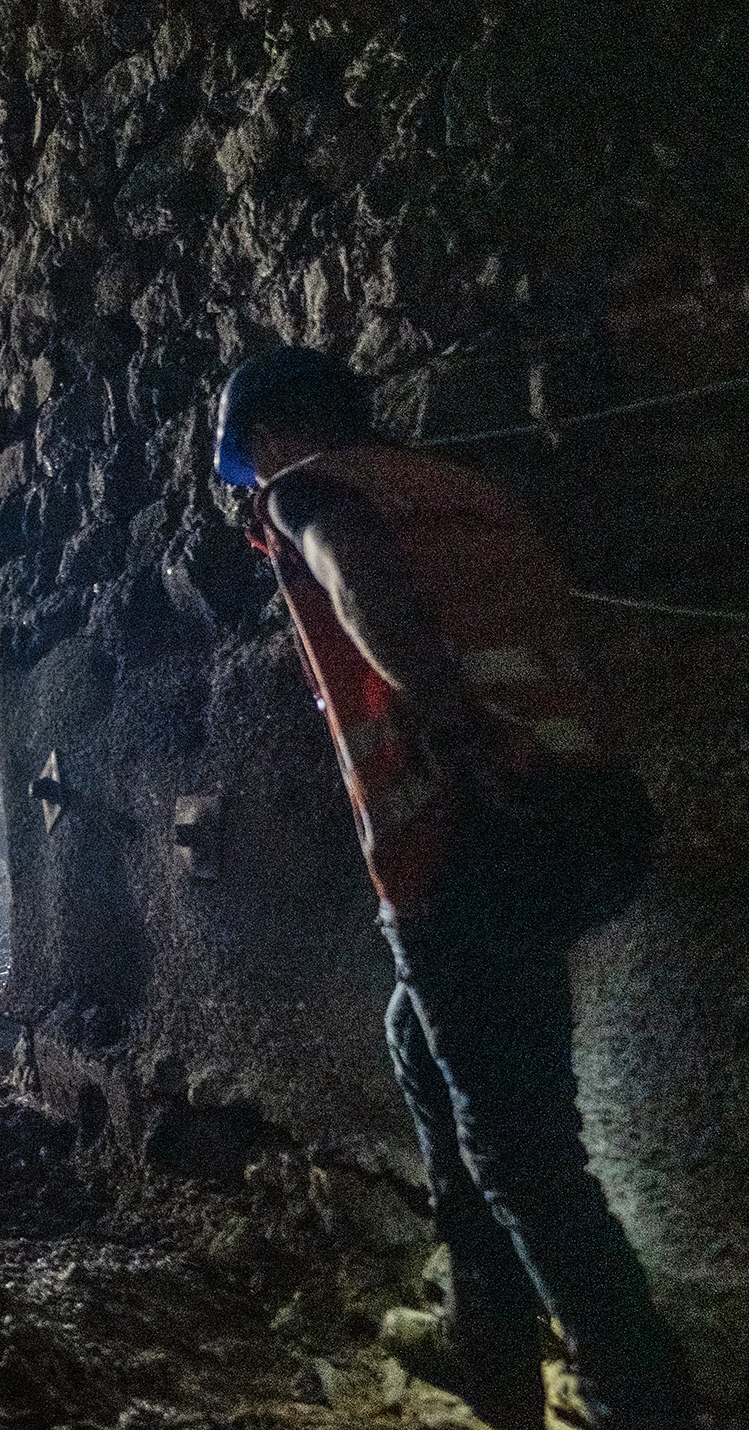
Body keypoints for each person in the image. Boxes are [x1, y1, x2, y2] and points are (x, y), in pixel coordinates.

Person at [215, 346, 690, 1430]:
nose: (257, 493)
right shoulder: (465, 492)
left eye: (248, 469)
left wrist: (453, 722)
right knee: (422, 1053)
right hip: (588, 817)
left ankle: (639, 1393)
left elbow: (355, 580)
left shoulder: (313, 490)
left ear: (276, 438)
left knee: (522, 1149)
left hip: (473, 837)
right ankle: (496, 1355)